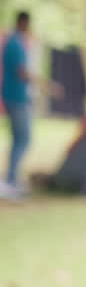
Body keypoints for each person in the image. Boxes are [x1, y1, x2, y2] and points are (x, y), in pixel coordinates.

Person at [3, 11, 33, 197]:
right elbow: (21, 72)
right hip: (16, 97)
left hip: (12, 96)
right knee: (23, 138)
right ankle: (11, 179)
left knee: (18, 139)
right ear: (23, 23)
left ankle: (11, 178)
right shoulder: (15, 43)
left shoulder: (12, 42)